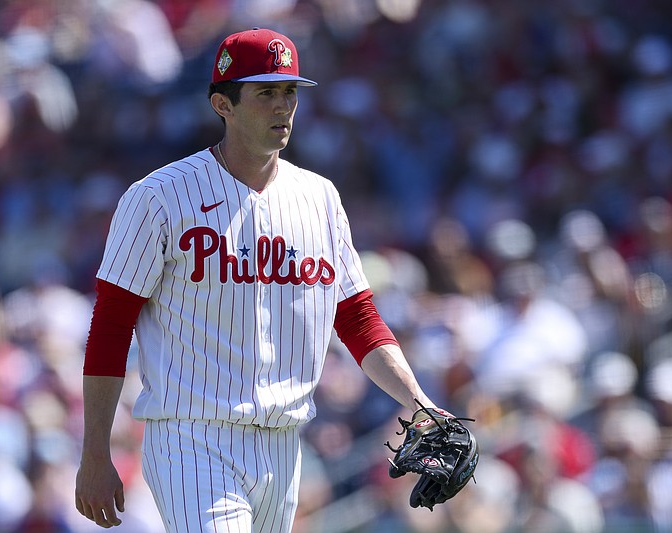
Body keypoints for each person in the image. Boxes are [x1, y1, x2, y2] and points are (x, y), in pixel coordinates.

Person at [74, 27, 440, 532]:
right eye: (266, 92)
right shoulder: (159, 197)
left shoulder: (320, 198)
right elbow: (111, 328)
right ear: (223, 104)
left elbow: (356, 318)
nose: (283, 106)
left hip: (285, 444)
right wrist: (95, 452)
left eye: (290, 92)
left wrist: (420, 403)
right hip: (192, 438)